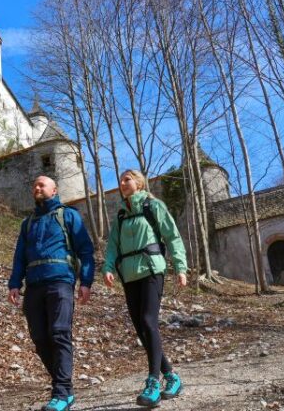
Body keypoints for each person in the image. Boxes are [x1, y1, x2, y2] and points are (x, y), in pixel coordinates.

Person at [101, 169, 188, 408]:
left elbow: (172, 236)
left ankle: (153, 382)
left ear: (139, 183)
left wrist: (181, 268)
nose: (122, 183)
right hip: (129, 275)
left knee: (149, 321)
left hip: (151, 269)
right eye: (120, 180)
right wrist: (108, 267)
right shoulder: (120, 214)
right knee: (141, 328)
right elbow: (113, 246)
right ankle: (171, 376)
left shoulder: (153, 205)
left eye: (127, 179)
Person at [8, 176, 95, 411]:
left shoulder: (68, 215)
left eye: (41, 185)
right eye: (34, 185)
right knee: (39, 339)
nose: (36, 187)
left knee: (59, 333)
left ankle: (62, 391)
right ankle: (63, 387)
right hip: (34, 285)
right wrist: (14, 283)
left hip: (60, 281)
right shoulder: (28, 223)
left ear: (54, 190)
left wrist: (86, 281)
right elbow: (19, 256)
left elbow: (86, 250)